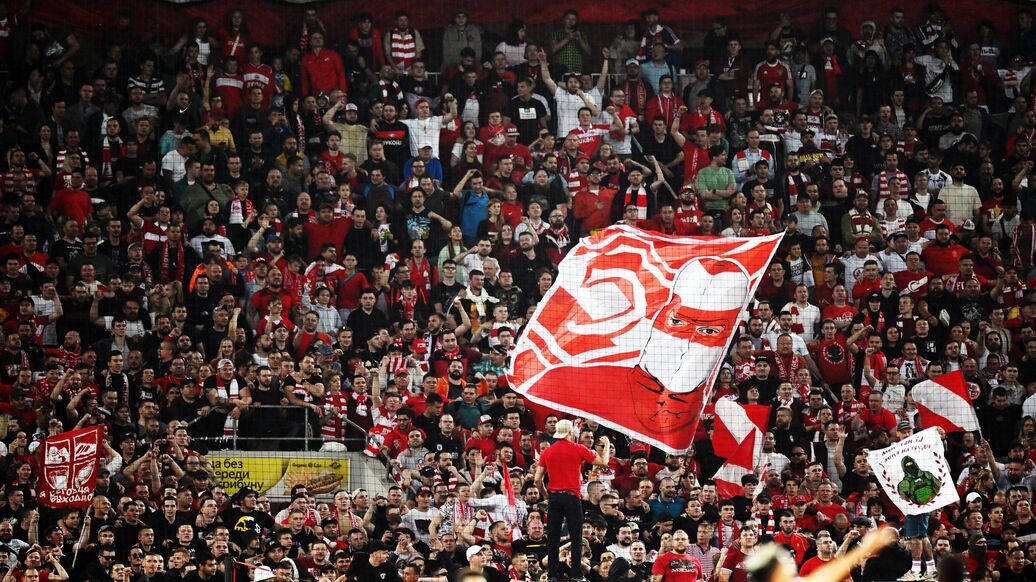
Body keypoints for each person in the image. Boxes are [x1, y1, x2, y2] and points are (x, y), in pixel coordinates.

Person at [535, 419, 611, 582]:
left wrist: (546, 495)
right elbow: (602, 462)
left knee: (553, 538)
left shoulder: (547, 452)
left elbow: (537, 480)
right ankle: (576, 573)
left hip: (555, 498)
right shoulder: (578, 448)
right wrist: (606, 445)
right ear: (570, 432)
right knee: (576, 537)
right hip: (572, 497)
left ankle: (552, 575)